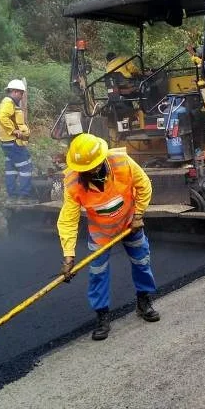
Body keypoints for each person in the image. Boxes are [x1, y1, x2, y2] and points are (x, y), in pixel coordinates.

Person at [57, 133, 160, 341]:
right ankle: (102, 315)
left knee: (142, 261)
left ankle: (144, 301)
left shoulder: (122, 162)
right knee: (98, 272)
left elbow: (144, 185)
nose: (92, 171)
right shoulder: (73, 182)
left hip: (130, 223)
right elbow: (68, 219)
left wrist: (139, 215)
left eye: (94, 166)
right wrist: (69, 255)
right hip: (101, 232)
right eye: (86, 169)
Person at [0, 79, 34, 205]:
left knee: (11, 168)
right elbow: (2, 117)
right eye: (21, 93)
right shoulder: (8, 102)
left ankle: (12, 196)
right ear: (15, 91)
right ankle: (24, 196)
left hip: (8, 142)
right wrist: (14, 131)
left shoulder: (10, 103)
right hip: (13, 142)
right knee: (26, 167)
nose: (22, 96)